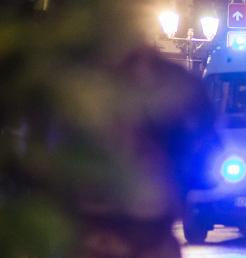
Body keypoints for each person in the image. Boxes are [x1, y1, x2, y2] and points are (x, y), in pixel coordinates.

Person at [75, 48, 219, 258]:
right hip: (151, 234)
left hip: (90, 235)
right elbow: (207, 164)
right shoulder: (177, 81)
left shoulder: (70, 84)